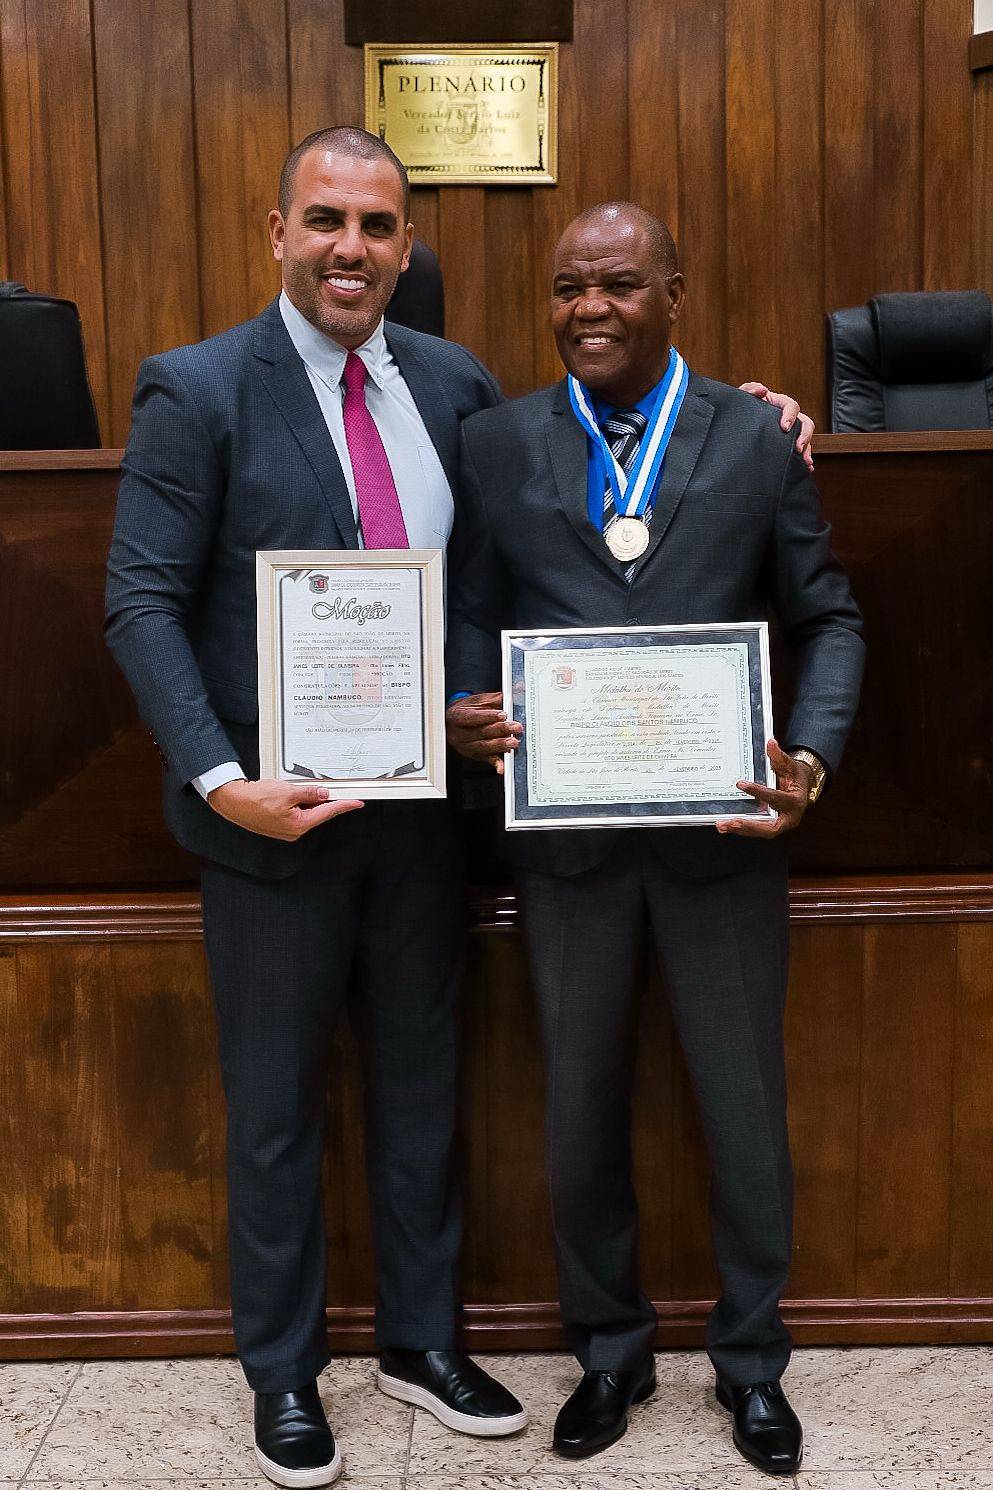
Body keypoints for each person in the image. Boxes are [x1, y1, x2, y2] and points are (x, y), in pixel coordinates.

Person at [105, 126, 528, 1489]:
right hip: (270, 825)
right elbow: (142, 601)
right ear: (276, 229)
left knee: (422, 1089)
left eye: (379, 226)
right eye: (327, 220)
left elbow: (483, 582)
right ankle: (282, 1372)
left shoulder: (459, 382)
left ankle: (420, 1339)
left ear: (408, 247)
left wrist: (465, 701)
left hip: (418, 822)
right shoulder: (200, 387)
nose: (353, 248)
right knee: (277, 1108)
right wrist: (223, 780)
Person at [445, 202, 865, 1475]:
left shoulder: (755, 437)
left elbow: (831, 617)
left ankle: (752, 1360)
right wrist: (465, 710)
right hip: (566, 848)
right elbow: (473, 617)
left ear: (674, 290)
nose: (589, 308)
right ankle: (610, 1350)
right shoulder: (494, 440)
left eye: (619, 285)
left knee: (742, 1111)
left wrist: (811, 754)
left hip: (723, 834)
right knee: (579, 1113)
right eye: (568, 286)